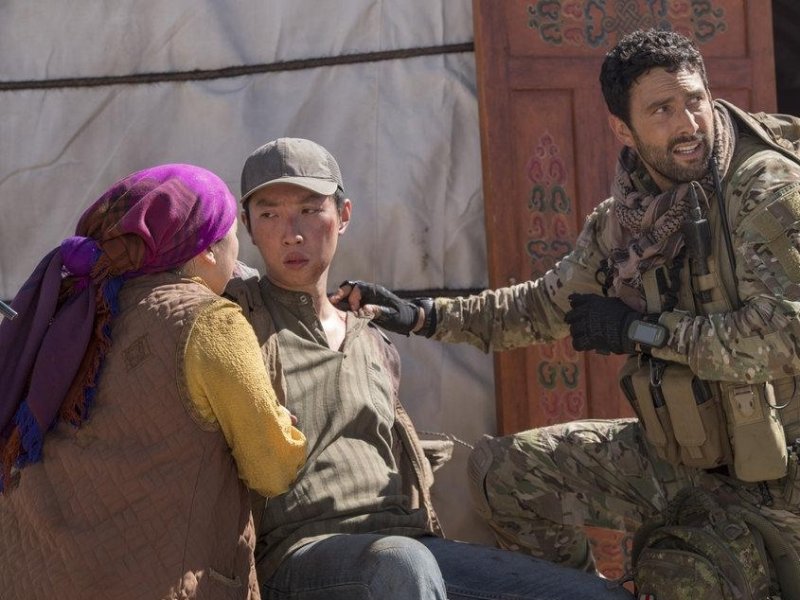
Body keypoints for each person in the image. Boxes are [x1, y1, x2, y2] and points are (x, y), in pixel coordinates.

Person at [334, 28, 800, 584]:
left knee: (686, 580)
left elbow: (783, 337)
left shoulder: (766, 189)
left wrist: (641, 331)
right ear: (622, 128)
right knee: (503, 475)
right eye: (662, 110)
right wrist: (423, 316)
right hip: (688, 457)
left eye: (694, 100)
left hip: (784, 474)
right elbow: (541, 307)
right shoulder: (627, 220)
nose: (688, 124)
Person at [224, 137, 633, 599]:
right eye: (269, 214)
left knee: (596, 596)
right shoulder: (236, 322)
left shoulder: (371, 338)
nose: (291, 233)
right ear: (246, 226)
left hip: (407, 543)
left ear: (344, 215)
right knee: (401, 564)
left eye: (309, 209)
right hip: (300, 556)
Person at [0, 164, 307, 600]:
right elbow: (272, 469)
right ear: (207, 250)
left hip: (33, 577)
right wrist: (281, 427)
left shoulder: (68, 309)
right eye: (233, 239)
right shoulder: (209, 322)